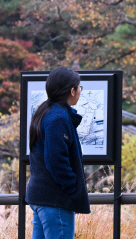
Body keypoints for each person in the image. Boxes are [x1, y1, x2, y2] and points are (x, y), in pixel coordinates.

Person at [26, 66, 90, 239]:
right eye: (79, 88)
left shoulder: (45, 112)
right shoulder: (58, 118)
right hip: (55, 200)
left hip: (42, 198)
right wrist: (73, 191)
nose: (80, 91)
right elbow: (56, 161)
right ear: (72, 90)